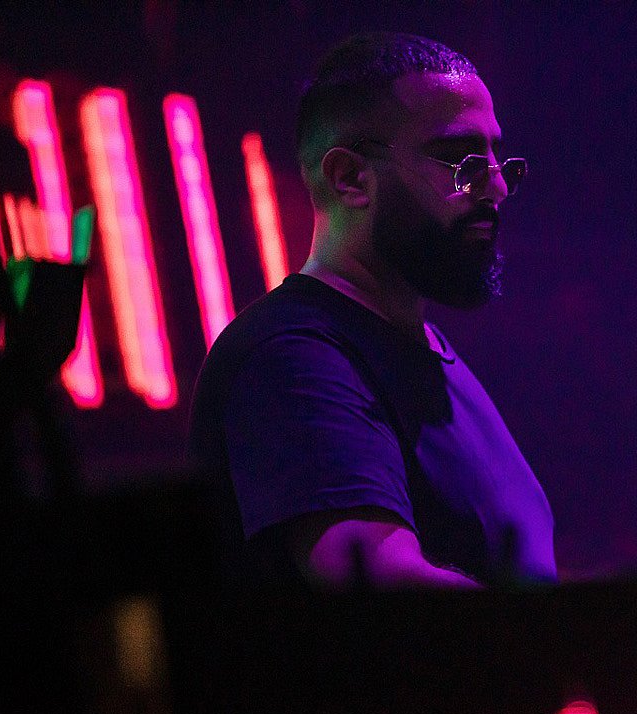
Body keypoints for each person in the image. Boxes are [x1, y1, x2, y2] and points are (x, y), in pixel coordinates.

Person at [188, 32, 556, 589]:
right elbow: (375, 586)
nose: (496, 186)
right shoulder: (290, 357)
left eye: (496, 159)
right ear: (350, 178)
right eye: (460, 159)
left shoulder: (426, 351)